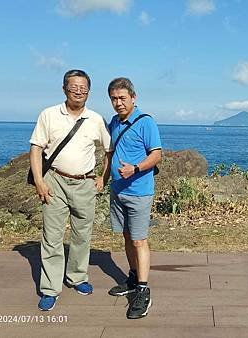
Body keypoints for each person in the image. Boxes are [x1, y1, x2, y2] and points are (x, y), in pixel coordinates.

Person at [29, 69, 112, 311]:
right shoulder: (49, 114)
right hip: (54, 181)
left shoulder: (96, 119)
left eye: (83, 87)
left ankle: (77, 277)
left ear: (89, 91)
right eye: (73, 86)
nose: (78, 91)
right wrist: (39, 181)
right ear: (64, 88)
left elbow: (109, 150)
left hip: (85, 183)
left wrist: (102, 178)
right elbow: (36, 148)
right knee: (52, 237)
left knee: (82, 235)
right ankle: (50, 288)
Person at [106, 77, 162, 319]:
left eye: (122, 98)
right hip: (118, 191)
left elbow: (157, 155)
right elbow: (109, 153)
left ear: (133, 97)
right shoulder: (114, 122)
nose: (118, 103)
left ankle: (142, 289)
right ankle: (132, 277)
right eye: (114, 99)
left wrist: (135, 169)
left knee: (140, 240)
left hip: (139, 192)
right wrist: (103, 177)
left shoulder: (145, 122)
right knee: (127, 236)